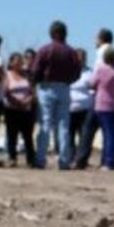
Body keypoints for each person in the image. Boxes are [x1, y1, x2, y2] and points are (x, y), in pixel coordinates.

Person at [31, 21, 82, 169]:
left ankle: (40, 160)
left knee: (45, 124)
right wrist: (68, 81)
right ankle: (64, 161)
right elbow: (77, 72)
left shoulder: (45, 50)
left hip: (47, 88)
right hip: (64, 88)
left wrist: (35, 82)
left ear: (52, 33)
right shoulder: (71, 52)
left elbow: (36, 70)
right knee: (63, 125)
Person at [92, 47, 114, 170]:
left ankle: (109, 162)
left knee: (107, 135)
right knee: (112, 134)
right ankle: (110, 160)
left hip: (102, 104)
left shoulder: (101, 70)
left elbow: (93, 84)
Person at [3, 53, 37, 167]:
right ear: (11, 63)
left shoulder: (27, 75)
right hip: (11, 109)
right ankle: (12, 158)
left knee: (28, 135)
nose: (19, 64)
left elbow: (33, 92)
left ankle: (31, 160)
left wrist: (27, 101)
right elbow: (6, 92)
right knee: (12, 135)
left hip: (26, 109)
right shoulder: (7, 75)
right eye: (17, 62)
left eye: (20, 61)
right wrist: (17, 103)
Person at [69, 48, 94, 157]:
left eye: (83, 57)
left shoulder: (90, 73)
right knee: (69, 134)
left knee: (84, 135)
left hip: (85, 108)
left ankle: (81, 158)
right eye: (79, 57)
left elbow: (93, 89)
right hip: (70, 107)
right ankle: (70, 156)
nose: (81, 60)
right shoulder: (67, 71)